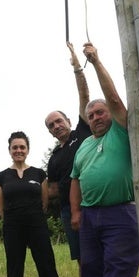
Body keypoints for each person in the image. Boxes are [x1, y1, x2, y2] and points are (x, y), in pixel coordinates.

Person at [69, 42, 139, 277]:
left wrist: (95, 61)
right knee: (91, 265)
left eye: (100, 112)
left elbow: (113, 98)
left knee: (119, 263)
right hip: (89, 215)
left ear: (109, 113)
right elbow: (76, 179)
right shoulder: (85, 145)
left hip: (120, 211)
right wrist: (76, 211)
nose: (96, 117)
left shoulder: (120, 131)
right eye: (91, 116)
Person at [0, 131, 68, 277]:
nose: (18, 150)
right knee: (15, 271)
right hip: (13, 227)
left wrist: (33, 216)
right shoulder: (1, 177)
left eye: (22, 147)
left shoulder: (38, 174)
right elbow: (1, 207)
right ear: (9, 150)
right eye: (15, 147)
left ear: (27, 150)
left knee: (47, 268)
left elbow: (44, 202)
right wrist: (14, 219)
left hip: (37, 225)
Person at [45, 42, 91, 264]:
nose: (56, 126)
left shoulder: (81, 132)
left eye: (59, 121)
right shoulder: (53, 157)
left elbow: (84, 95)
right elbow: (51, 189)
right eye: (51, 125)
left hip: (92, 202)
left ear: (69, 121)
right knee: (82, 258)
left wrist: (77, 67)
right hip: (67, 211)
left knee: (100, 254)